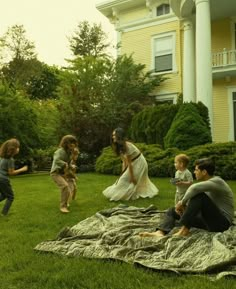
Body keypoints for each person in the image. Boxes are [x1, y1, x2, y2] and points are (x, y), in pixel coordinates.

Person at [140, 158, 234, 237]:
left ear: (204, 172)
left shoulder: (218, 182)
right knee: (172, 210)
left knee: (199, 196)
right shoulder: (207, 184)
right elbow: (199, 204)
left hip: (222, 223)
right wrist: (185, 208)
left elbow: (194, 188)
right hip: (208, 221)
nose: (194, 172)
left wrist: (182, 203)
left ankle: (184, 230)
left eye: (196, 170)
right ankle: (160, 232)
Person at [102, 127, 158, 201]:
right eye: (112, 135)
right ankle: (120, 192)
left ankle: (123, 194)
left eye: (114, 135)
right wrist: (123, 172)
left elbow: (129, 164)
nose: (113, 137)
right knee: (123, 178)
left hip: (139, 163)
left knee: (127, 179)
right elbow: (124, 161)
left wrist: (132, 177)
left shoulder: (127, 146)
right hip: (133, 162)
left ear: (119, 136)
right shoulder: (119, 146)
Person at [50, 135, 78, 213]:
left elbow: (68, 163)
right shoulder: (60, 151)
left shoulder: (69, 153)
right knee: (65, 186)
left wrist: (71, 165)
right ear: (66, 143)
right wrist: (65, 164)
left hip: (62, 173)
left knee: (68, 189)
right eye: (72, 144)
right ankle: (63, 207)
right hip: (55, 173)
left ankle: (66, 203)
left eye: (74, 144)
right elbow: (56, 160)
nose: (73, 146)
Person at [0, 138, 28, 216]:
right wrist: (23, 169)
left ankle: (4, 213)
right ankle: (4, 213)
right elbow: (11, 173)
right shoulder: (10, 160)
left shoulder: (1, 157)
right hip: (3, 179)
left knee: (3, 195)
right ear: (13, 149)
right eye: (17, 147)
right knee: (10, 196)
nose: (18, 149)